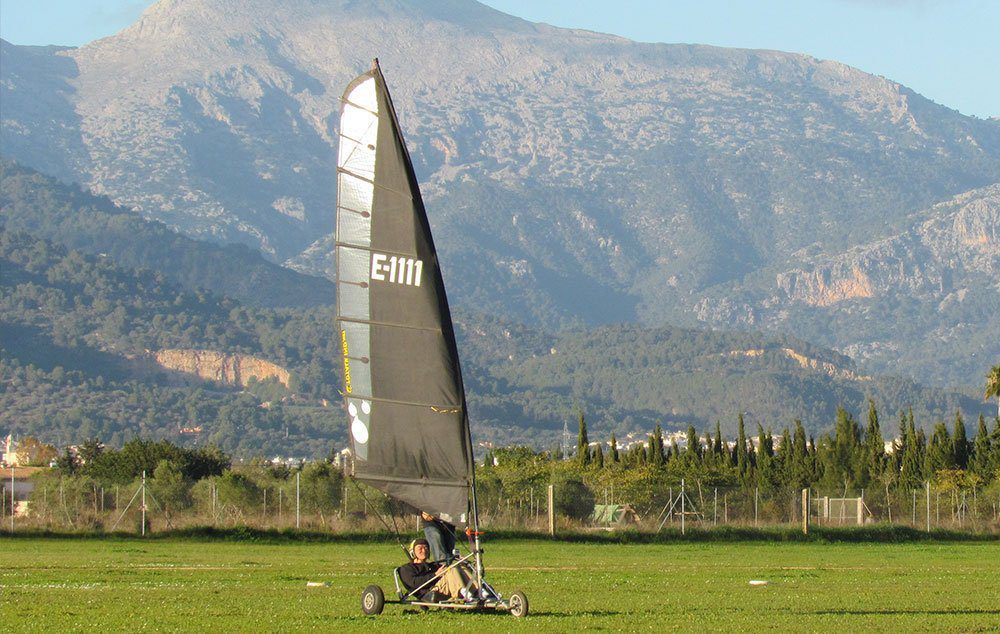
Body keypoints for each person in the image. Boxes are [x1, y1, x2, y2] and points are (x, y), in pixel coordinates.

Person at [398, 538, 475, 602]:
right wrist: (435, 575)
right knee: (452, 569)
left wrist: (464, 563)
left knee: (459, 567)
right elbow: (414, 583)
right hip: (431, 590)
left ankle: (478, 591)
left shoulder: (433, 565)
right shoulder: (407, 568)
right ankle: (465, 593)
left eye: (426, 548)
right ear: (413, 552)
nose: (424, 551)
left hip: (444, 586)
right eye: (420, 548)